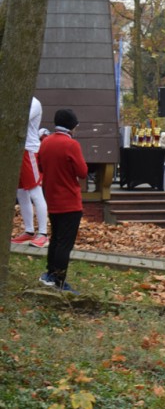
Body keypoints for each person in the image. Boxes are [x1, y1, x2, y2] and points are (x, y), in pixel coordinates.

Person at [36, 109, 87, 293]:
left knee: (56, 239)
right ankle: (59, 280)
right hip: (70, 201)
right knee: (65, 244)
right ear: (72, 126)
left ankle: (49, 274)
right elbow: (82, 172)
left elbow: (41, 166)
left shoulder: (46, 142)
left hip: (52, 198)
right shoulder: (71, 144)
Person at [13, 97, 48, 249]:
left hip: (29, 150)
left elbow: (18, 120)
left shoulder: (33, 102)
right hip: (17, 150)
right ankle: (28, 230)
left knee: (35, 191)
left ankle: (43, 233)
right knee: (21, 193)